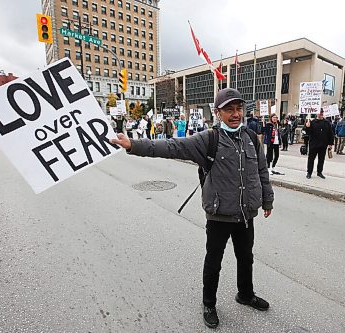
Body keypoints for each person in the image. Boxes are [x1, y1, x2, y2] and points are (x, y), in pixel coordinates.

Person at [110, 88, 274, 329]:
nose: (236, 114)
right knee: (214, 262)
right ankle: (209, 304)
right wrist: (133, 144)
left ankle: (245, 294)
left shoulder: (251, 138)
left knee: (246, 257)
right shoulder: (208, 139)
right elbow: (171, 146)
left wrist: (267, 200)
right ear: (218, 113)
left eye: (239, 108)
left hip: (246, 214)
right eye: (229, 109)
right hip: (219, 215)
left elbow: (261, 171)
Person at [305, 110, 334, 179]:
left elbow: (330, 133)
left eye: (321, 113)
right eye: (319, 113)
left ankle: (319, 172)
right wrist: (307, 127)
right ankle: (309, 172)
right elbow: (308, 133)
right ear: (317, 114)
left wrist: (330, 143)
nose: (320, 114)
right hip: (313, 144)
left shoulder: (327, 123)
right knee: (311, 159)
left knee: (321, 159)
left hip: (323, 144)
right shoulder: (312, 122)